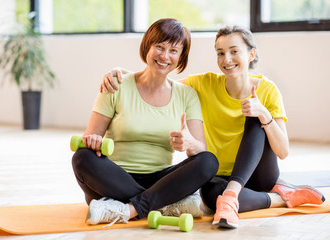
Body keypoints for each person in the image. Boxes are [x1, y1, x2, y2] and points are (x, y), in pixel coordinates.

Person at [100, 25, 325, 229]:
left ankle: (232, 196)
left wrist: (264, 114)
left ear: (251, 54)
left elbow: (283, 152)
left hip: (258, 176)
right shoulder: (203, 84)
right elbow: (160, 78)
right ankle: (279, 198)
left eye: (234, 51)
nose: (227, 59)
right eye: (220, 53)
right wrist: (122, 73)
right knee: (211, 196)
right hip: (219, 177)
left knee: (255, 116)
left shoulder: (267, 90)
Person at [72, 18, 219, 226]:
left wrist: (189, 143)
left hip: (160, 179)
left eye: (173, 50)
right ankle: (166, 204)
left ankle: (126, 209)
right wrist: (93, 141)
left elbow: (200, 149)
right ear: (147, 46)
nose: (164, 56)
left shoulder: (187, 95)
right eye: (159, 47)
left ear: (181, 57)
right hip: (114, 178)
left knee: (208, 161)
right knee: (82, 157)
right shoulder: (117, 84)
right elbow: (90, 136)